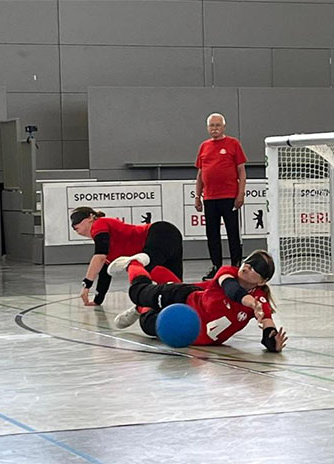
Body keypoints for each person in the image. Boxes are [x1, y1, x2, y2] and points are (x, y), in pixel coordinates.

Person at [110, 249, 287, 352]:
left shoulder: (260, 298)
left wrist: (273, 342)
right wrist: (250, 303)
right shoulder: (228, 272)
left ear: (262, 281)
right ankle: (135, 263)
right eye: (248, 261)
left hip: (189, 332)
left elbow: (267, 325)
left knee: (147, 323)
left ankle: (140, 309)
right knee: (138, 292)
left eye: (257, 267)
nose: (248, 266)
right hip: (183, 297)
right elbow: (231, 289)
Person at [70, 206, 183, 307]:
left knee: (146, 270)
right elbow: (105, 273)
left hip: (159, 233)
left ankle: (145, 302)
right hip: (168, 235)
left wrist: (86, 285)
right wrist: (97, 300)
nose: (73, 226)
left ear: (90, 217)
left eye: (77, 221)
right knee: (174, 286)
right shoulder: (109, 247)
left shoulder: (99, 223)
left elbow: (99, 257)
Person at [194, 113, 247, 280]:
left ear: (223, 127)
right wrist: (197, 195)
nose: (214, 128)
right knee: (212, 234)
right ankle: (216, 266)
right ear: (207, 128)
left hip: (229, 196)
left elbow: (241, 172)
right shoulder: (204, 146)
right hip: (210, 198)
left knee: (232, 232)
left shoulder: (233, 144)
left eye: (217, 125)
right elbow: (200, 174)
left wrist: (240, 194)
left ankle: (236, 266)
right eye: (212, 125)